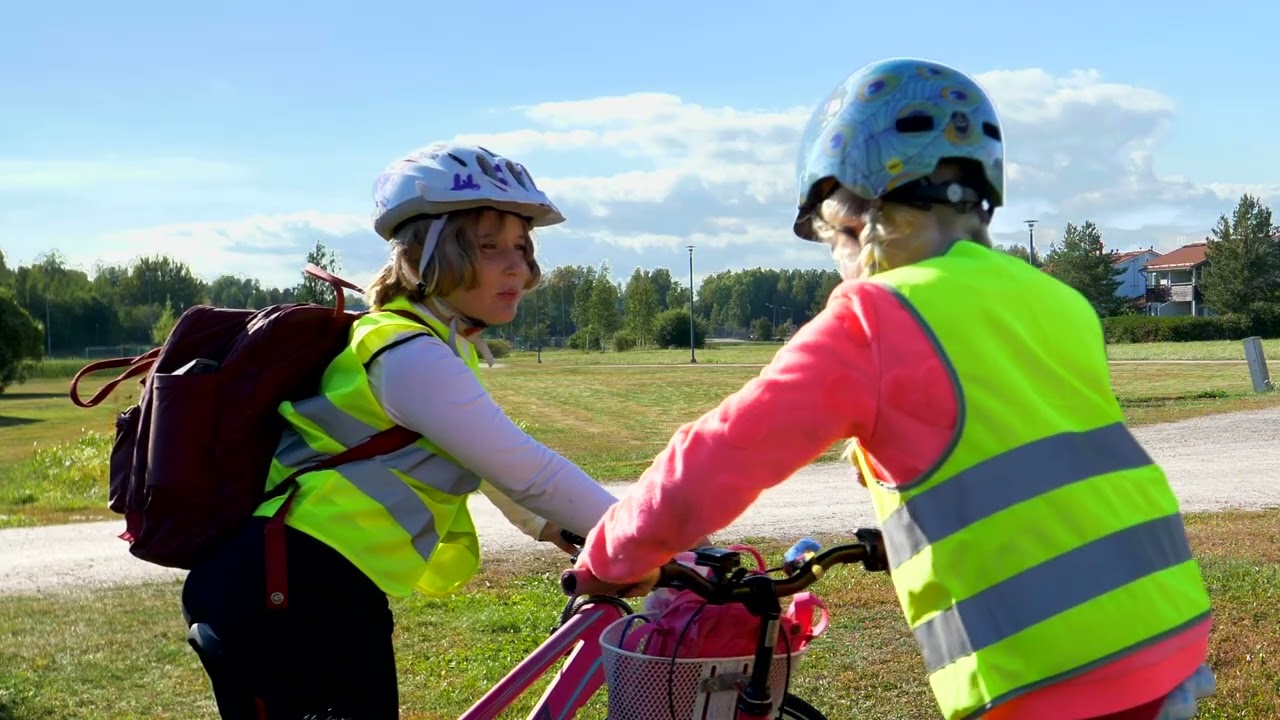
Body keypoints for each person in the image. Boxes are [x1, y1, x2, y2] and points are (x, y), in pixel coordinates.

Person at [567, 58, 1216, 720]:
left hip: (1051, 670)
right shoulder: (1058, 301)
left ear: (855, 217)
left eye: (830, 239)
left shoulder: (875, 317)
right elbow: (1013, 440)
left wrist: (612, 556)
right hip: (1166, 624)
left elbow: (719, 454)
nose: (839, 263)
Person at [181, 142, 620, 719]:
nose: (517, 266)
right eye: (488, 247)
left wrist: (553, 526)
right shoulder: (407, 353)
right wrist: (654, 537)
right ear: (424, 255)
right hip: (294, 588)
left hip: (306, 583)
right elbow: (529, 470)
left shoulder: (432, 345)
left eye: (521, 246)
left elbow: (486, 463)